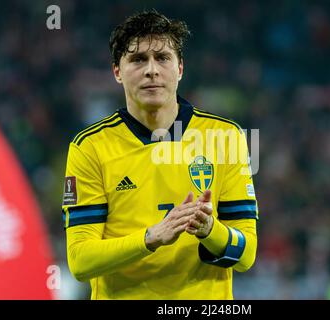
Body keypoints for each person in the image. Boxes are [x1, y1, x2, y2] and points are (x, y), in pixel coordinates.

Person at [61, 10, 259, 299]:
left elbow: (247, 254)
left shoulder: (226, 137)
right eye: (138, 59)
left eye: (163, 58)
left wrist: (210, 230)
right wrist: (150, 238)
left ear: (180, 69)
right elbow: (80, 261)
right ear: (117, 71)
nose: (151, 70)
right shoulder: (90, 147)